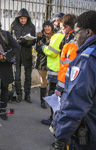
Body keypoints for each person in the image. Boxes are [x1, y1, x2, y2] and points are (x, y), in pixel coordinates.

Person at [50, 10, 96, 150]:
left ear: (88, 32)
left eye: (76, 32)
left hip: (88, 134)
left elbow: (76, 104)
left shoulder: (86, 60)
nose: (75, 38)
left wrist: (61, 136)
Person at [41, 14, 76, 126]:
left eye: (61, 26)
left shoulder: (66, 38)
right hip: (60, 72)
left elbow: (53, 52)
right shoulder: (70, 37)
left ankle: (54, 120)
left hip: (57, 71)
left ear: (67, 26)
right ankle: (55, 120)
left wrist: (43, 47)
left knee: (56, 96)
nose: (60, 29)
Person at [0, 20, 20, 120]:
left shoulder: (6, 35)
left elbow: (16, 47)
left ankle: (3, 110)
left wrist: (6, 56)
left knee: (4, 88)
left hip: (5, 65)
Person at [10, 8, 36, 103]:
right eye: (21, 18)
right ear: (18, 18)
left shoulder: (31, 26)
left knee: (28, 76)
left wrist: (26, 42)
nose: (23, 20)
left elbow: (33, 41)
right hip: (16, 54)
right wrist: (16, 42)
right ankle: (19, 94)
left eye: (25, 18)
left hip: (27, 53)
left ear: (27, 18)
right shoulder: (14, 25)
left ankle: (27, 94)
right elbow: (10, 39)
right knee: (17, 76)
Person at [35, 20, 55, 109]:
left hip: (53, 63)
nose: (47, 28)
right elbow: (37, 49)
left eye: (48, 26)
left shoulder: (55, 37)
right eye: (45, 26)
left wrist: (44, 46)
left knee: (51, 83)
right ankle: (42, 101)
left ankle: (50, 99)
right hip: (42, 63)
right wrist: (45, 47)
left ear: (52, 27)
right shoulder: (40, 36)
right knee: (43, 82)